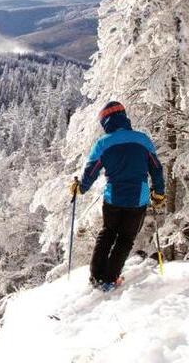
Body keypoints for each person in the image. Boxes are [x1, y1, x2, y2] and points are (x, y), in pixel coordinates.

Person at [69, 101, 165, 291]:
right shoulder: (143, 140)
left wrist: (80, 188)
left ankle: (96, 276)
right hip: (138, 199)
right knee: (126, 239)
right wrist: (159, 193)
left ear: (105, 121)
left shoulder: (103, 143)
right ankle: (110, 278)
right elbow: (156, 168)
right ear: (124, 116)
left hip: (113, 198)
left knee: (107, 233)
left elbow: (91, 171)